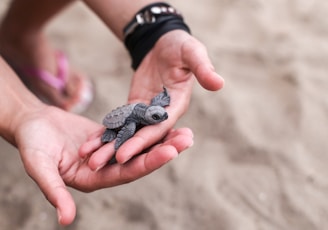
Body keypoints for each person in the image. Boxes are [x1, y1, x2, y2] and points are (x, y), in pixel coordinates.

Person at [0, 0, 224, 226]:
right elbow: (127, 130)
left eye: (158, 114)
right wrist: (20, 113)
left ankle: (19, 35)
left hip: (132, 112)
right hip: (117, 121)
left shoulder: (152, 108)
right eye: (157, 117)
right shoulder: (132, 123)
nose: (161, 117)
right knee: (118, 136)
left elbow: (159, 105)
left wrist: (155, 29)